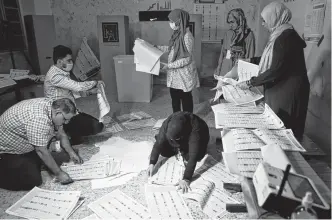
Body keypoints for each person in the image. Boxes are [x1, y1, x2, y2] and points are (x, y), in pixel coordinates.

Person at [237, 2, 310, 140]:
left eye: (264, 20)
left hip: (288, 91)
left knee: (284, 128)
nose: (263, 24)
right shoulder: (281, 34)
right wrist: (250, 60)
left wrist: (250, 82)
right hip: (283, 87)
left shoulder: (285, 38)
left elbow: (275, 69)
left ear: (274, 18)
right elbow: (271, 59)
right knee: (278, 126)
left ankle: (286, 159)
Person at [0, 98, 81, 191]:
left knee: (61, 157)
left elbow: (61, 133)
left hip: (23, 141)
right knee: (33, 180)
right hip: (7, 150)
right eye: (65, 119)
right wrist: (59, 173)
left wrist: (71, 152)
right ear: (58, 112)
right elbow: (41, 150)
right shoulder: (38, 119)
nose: (66, 122)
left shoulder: (52, 106)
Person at [44, 45, 105, 145]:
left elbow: (71, 93)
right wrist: (95, 82)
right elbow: (77, 86)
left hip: (68, 109)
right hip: (60, 114)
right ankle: (62, 133)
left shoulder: (62, 73)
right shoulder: (55, 75)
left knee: (98, 124)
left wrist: (91, 92)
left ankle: (69, 131)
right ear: (59, 62)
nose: (71, 63)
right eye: (68, 60)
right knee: (94, 127)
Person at [147, 112, 210, 193]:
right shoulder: (167, 123)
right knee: (164, 151)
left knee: (196, 156)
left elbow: (193, 156)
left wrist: (186, 179)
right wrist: (152, 163)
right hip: (178, 136)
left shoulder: (196, 128)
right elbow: (159, 142)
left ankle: (181, 148)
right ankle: (177, 145)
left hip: (199, 135)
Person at [155, 9, 200, 113]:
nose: (170, 23)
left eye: (172, 21)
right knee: (175, 99)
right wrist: (156, 47)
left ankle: (188, 120)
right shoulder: (177, 34)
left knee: (186, 99)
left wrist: (168, 66)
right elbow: (171, 49)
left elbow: (186, 59)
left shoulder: (187, 37)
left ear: (180, 21)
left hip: (183, 75)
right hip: (175, 75)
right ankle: (177, 119)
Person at [214, 8, 255, 77]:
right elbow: (223, 52)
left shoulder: (248, 35)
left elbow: (250, 55)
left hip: (239, 68)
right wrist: (219, 68)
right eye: (229, 22)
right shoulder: (228, 33)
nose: (230, 25)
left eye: (232, 22)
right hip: (226, 66)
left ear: (239, 20)